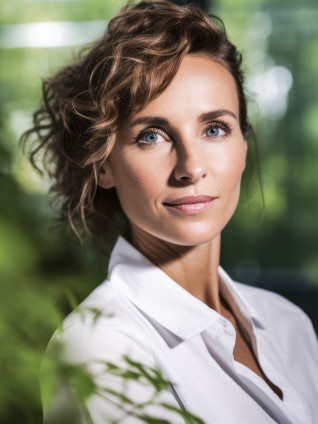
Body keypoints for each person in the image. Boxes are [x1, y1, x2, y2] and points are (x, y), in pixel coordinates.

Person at [23, 1, 318, 423]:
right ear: (103, 165)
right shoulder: (97, 348)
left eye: (214, 129)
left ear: (243, 143)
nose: (191, 167)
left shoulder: (289, 323)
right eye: (152, 136)